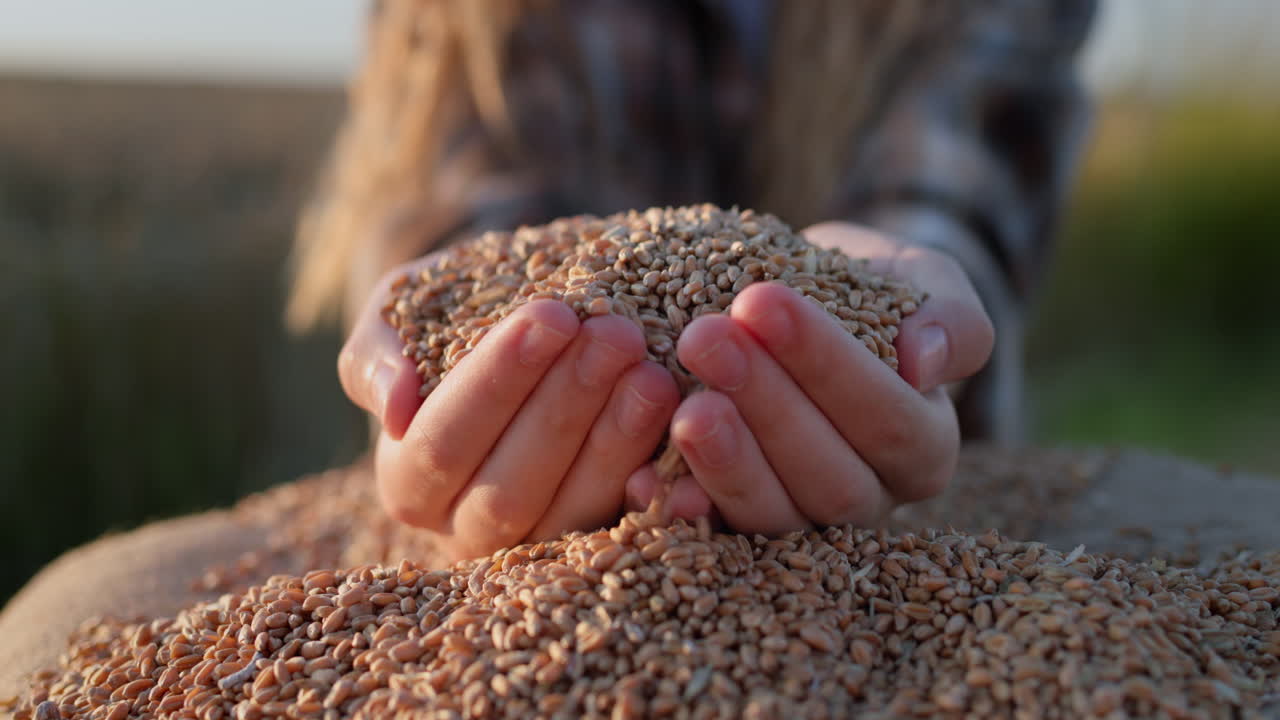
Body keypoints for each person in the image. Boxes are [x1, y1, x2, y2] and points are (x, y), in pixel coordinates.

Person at [291, 0, 1097, 564]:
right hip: (573, 570)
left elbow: (952, 178)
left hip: (905, 533)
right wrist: (457, 377)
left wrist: (908, 330)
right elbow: (479, 182)